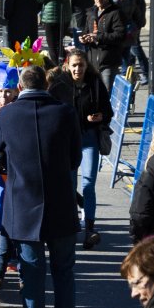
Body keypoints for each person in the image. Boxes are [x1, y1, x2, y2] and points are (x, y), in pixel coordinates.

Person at [0, 65, 82, 308]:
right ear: (47, 82)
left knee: (31, 279)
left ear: (20, 85)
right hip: (61, 205)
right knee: (64, 276)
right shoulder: (65, 112)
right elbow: (75, 158)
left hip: (23, 206)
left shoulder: (6, 114)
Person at [64, 51, 113, 249]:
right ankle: (70, 224)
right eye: (74, 65)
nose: (78, 69)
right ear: (68, 65)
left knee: (88, 184)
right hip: (67, 141)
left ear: (86, 66)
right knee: (68, 184)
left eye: (81, 65)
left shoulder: (95, 83)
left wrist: (100, 117)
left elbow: (108, 111)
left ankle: (90, 229)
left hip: (89, 138)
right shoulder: (61, 84)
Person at [79, 0, 127, 92]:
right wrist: (84, 38)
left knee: (106, 93)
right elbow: (86, 31)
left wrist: (98, 37)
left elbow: (120, 35)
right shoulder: (91, 13)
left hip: (108, 61)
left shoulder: (116, 13)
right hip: (92, 61)